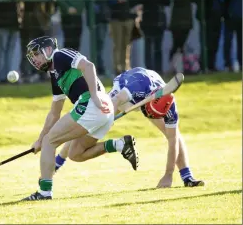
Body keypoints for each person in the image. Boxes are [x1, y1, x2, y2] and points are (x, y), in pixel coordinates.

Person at [22, 36, 139, 201]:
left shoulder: (60, 55)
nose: (34, 59)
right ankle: (120, 144)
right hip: (101, 110)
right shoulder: (55, 76)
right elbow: (54, 113)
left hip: (92, 103)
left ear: (47, 50)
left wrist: (95, 97)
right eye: (32, 56)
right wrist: (39, 140)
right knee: (76, 154)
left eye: (36, 54)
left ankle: (44, 192)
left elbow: (88, 66)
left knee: (51, 141)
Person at [55, 67, 205, 188]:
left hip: (149, 94)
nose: (152, 118)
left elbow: (173, 140)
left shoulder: (169, 105)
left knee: (173, 134)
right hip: (123, 91)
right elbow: (115, 100)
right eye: (150, 115)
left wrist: (168, 175)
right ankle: (59, 161)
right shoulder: (133, 89)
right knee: (90, 123)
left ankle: (187, 177)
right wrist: (107, 118)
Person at [20, 0, 54, 83]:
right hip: (24, 23)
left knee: (41, 50)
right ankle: (26, 74)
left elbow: (50, 1)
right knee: (26, 50)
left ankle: (42, 74)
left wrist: (47, 15)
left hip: (40, 22)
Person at [197, 0, 231, 72]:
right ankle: (204, 66)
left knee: (215, 42)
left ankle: (212, 66)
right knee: (206, 41)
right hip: (206, 15)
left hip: (219, 14)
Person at [84, 0, 112, 76]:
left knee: (101, 44)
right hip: (94, 20)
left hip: (104, 20)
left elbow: (113, 1)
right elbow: (88, 0)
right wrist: (96, 7)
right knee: (95, 45)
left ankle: (99, 68)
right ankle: (98, 68)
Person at [141, 0, 169, 73]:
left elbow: (167, 2)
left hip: (159, 23)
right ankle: (148, 71)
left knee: (158, 48)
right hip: (147, 23)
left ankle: (159, 71)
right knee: (148, 48)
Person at [168, 0, 196, 73]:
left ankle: (180, 68)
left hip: (186, 22)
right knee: (176, 45)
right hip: (177, 23)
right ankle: (173, 67)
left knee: (182, 46)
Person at [224, 0, 242, 72]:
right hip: (228, 18)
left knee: (241, 43)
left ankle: (241, 65)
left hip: (241, 17)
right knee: (227, 43)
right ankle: (228, 65)